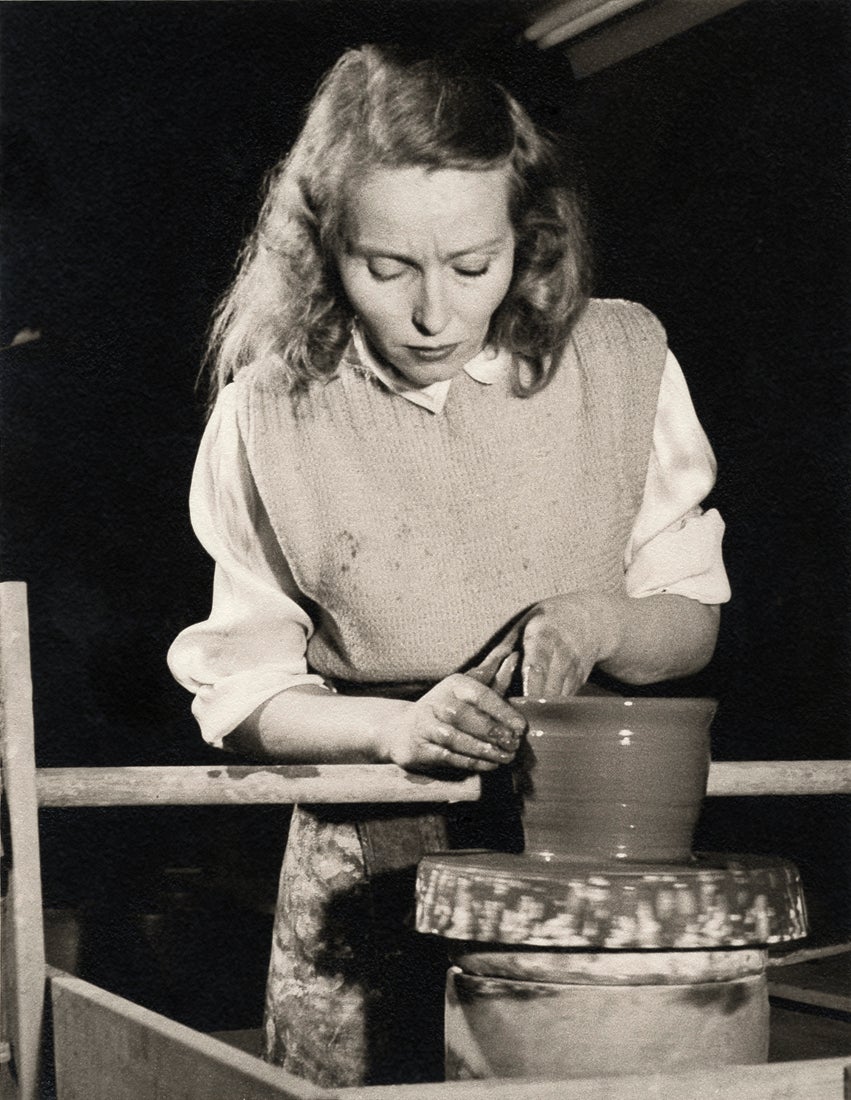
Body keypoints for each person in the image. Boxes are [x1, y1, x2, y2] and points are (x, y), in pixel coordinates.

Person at [168, 44, 730, 1087]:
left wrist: (603, 621)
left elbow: (687, 623)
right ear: (322, 246)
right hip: (360, 860)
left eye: (472, 265)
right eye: (385, 267)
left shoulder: (620, 360)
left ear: (527, 236)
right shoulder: (268, 410)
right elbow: (243, 687)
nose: (432, 313)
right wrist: (392, 726)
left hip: (586, 848)